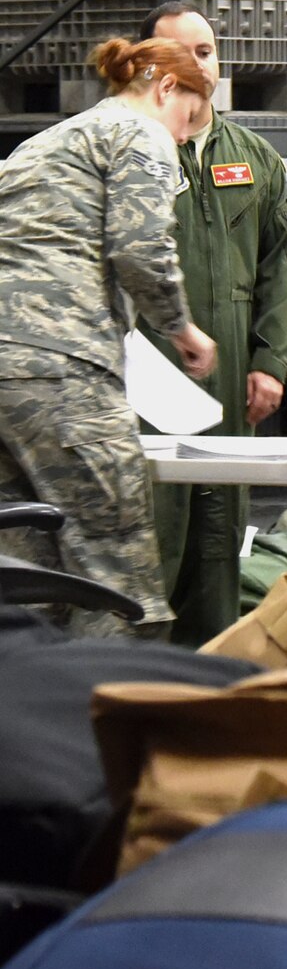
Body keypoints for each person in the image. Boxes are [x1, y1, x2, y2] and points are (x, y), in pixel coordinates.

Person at [0, 38, 218, 635]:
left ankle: (25, 718)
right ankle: (122, 715)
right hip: (60, 367)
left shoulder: (45, 142)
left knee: (22, 576)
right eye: (189, 119)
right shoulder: (139, 133)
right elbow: (141, 247)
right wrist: (182, 327)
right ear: (166, 88)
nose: (183, 137)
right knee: (115, 574)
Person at [133, 2, 287, 645]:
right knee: (155, 519)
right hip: (147, 361)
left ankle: (208, 670)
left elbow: (281, 265)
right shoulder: (129, 147)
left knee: (220, 524)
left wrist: (270, 361)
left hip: (231, 363)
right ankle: (136, 675)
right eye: (182, 54)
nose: (199, 66)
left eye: (206, 51)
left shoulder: (254, 157)